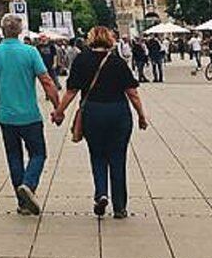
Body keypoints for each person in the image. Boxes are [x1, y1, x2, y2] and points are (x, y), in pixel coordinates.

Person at [52, 26, 147, 219]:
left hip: (93, 112)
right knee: (118, 158)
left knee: (97, 155)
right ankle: (120, 207)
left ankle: (101, 194)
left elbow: (71, 92)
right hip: (118, 112)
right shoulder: (118, 62)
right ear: (110, 40)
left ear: (91, 39)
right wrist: (141, 115)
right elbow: (132, 93)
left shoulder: (81, 60)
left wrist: (59, 112)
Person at [0, 13, 60, 216]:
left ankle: (22, 202)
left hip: (6, 117)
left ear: (2, 30)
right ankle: (29, 183)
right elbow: (47, 81)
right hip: (30, 115)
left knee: (13, 157)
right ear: (20, 31)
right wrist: (57, 106)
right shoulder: (30, 52)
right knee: (38, 153)